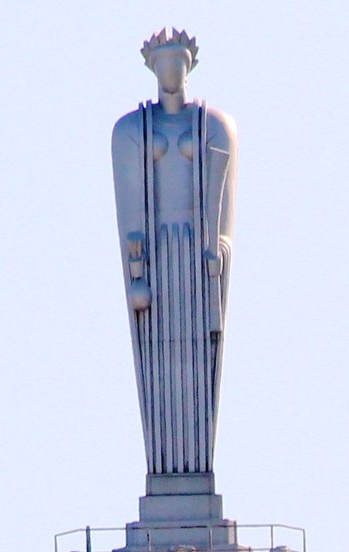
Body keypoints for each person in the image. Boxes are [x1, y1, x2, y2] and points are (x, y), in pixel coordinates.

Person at [112, 29, 237, 475]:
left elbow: (224, 197)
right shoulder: (132, 129)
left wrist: (216, 250)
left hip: (196, 254)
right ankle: (165, 468)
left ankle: (195, 467)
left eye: (177, 63)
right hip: (159, 250)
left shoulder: (213, 124)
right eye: (162, 63)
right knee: (159, 362)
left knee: (198, 360)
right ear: (153, 69)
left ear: (187, 68)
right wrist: (136, 269)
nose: (170, 72)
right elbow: (129, 206)